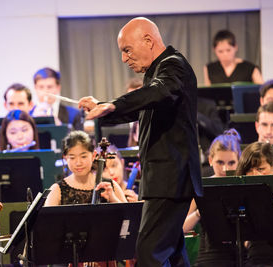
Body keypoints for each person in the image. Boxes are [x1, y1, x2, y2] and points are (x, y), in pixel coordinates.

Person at [79, 17, 203, 266]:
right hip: (164, 180)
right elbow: (140, 106)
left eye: (127, 50)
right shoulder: (156, 75)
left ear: (148, 40)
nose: (124, 59)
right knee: (173, 255)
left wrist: (112, 104)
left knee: (148, 254)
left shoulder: (173, 66)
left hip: (171, 180)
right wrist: (104, 107)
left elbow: (157, 92)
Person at [183, 129, 241, 267]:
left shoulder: (244, 186)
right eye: (220, 162)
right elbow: (182, 227)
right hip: (209, 257)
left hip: (240, 255)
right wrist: (199, 212)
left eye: (231, 163)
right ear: (210, 160)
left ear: (239, 161)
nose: (225, 169)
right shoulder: (202, 187)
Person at [235, 142, 273, 266]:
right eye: (249, 170)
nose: (255, 175)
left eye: (260, 169)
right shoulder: (241, 194)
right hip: (254, 258)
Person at [45, 131, 127, 206]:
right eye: (72, 158)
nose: (78, 163)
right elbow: (46, 220)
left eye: (83, 156)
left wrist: (113, 199)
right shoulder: (57, 190)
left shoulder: (110, 186)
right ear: (65, 158)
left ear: (93, 155)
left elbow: (129, 216)